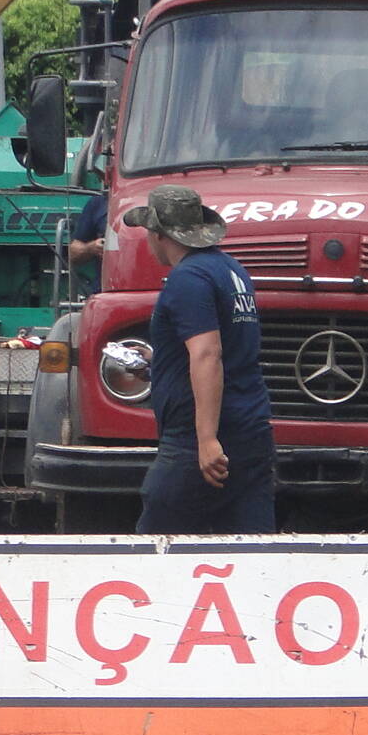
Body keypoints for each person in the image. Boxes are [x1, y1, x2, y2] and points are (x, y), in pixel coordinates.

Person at [126, 184, 274, 534]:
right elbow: (228, 346)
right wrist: (159, 361)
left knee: (156, 543)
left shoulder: (187, 278)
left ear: (158, 234)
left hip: (200, 439)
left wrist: (206, 440)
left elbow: (208, 354)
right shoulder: (231, 271)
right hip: (251, 430)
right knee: (251, 547)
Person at [66, 190, 107, 299]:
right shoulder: (99, 203)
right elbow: (73, 253)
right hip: (105, 293)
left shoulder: (155, 199)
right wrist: (92, 248)